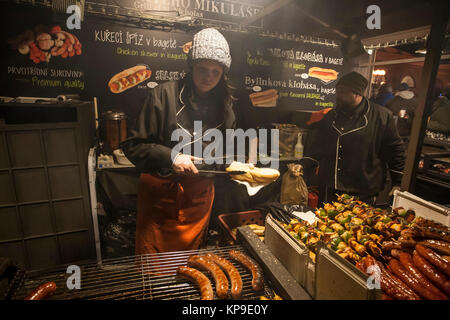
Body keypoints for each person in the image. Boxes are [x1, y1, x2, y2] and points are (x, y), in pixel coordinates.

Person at [121, 28, 236, 254]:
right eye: (203, 69)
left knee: (190, 265)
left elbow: (225, 156)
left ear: (223, 73)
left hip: (198, 200)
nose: (209, 77)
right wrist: (171, 156)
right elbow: (133, 146)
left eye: (216, 71)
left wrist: (239, 165)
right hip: (161, 200)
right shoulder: (163, 96)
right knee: (155, 267)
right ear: (191, 66)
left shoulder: (226, 108)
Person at [303, 71, 406, 205]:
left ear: (357, 93)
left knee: (358, 225)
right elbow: (318, 145)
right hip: (330, 186)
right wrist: (304, 164)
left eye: (342, 92)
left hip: (362, 189)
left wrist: (398, 182)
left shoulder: (382, 116)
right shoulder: (332, 115)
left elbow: (395, 149)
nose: (337, 95)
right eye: (337, 91)